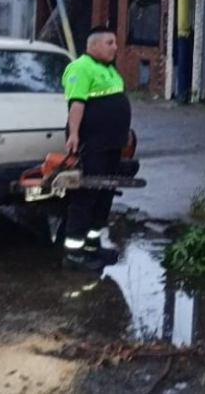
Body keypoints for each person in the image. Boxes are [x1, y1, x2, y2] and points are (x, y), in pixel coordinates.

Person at [61, 26, 132, 271]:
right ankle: (73, 252)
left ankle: (92, 244)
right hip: (92, 144)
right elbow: (76, 104)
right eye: (109, 43)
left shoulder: (109, 69)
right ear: (93, 45)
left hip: (111, 144)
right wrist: (74, 134)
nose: (115, 47)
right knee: (87, 195)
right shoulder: (81, 67)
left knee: (104, 194)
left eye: (115, 42)